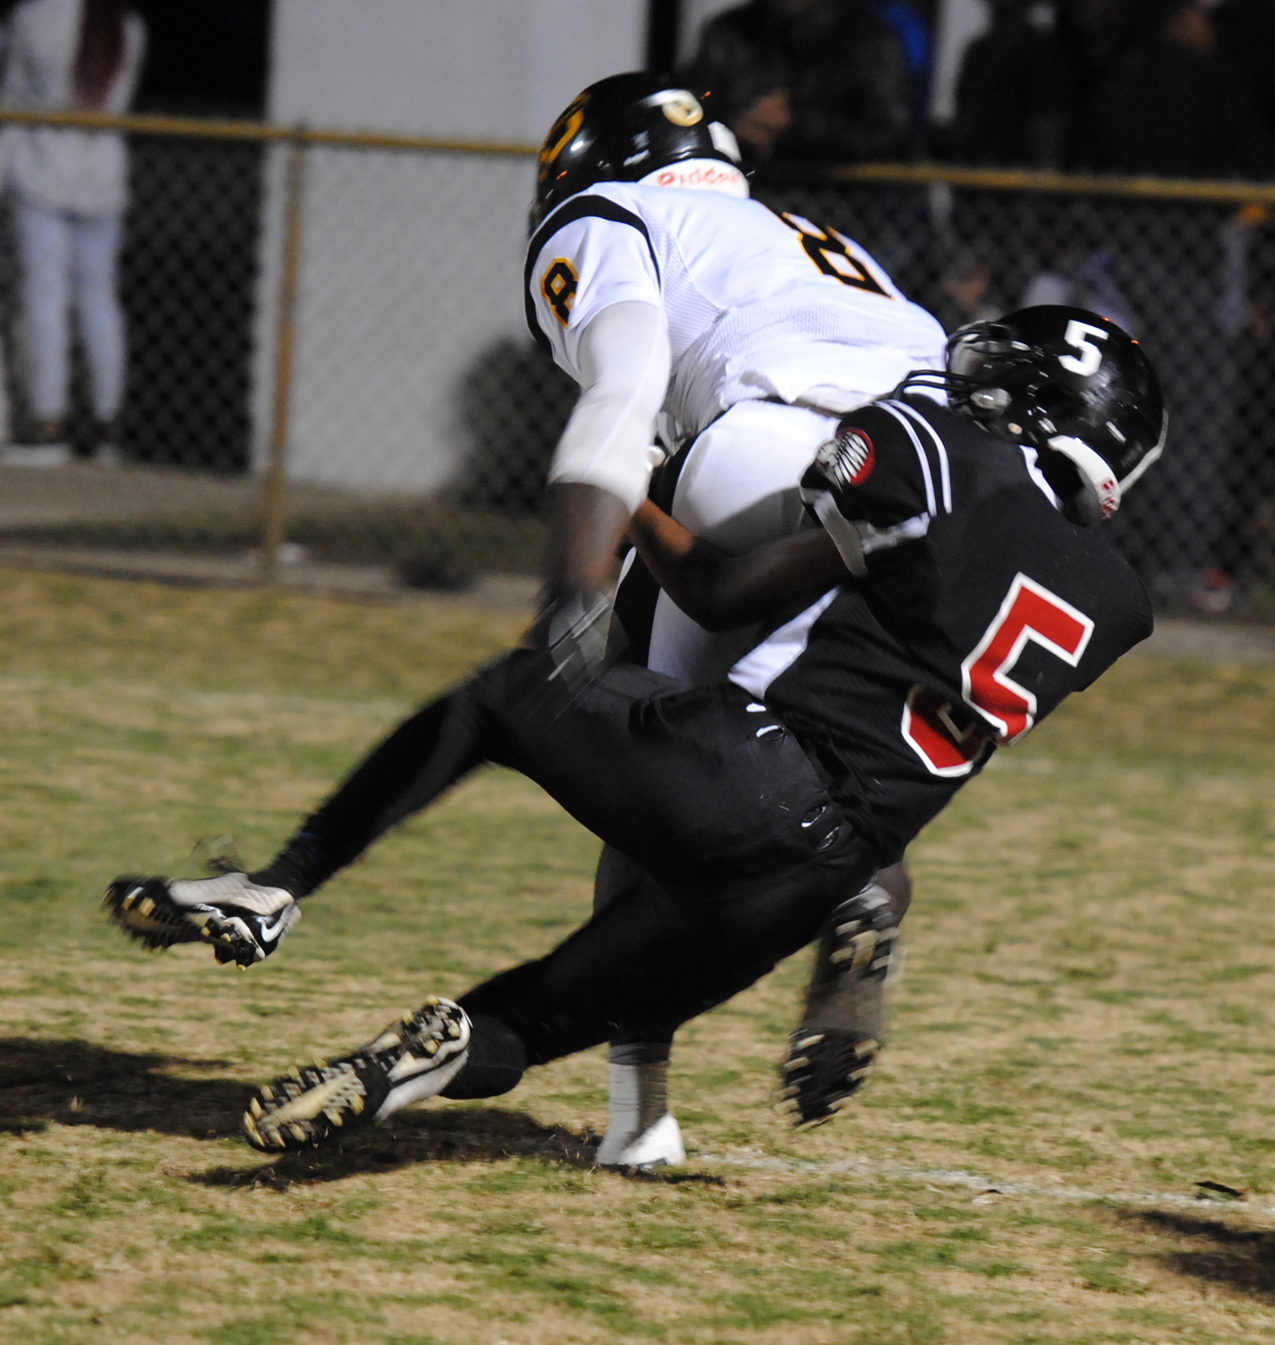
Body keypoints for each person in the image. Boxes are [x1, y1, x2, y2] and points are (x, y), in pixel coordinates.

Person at [106, 74, 947, 1168]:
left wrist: (571, 599)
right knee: (813, 792)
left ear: (587, 163)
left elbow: (624, 388)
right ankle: (864, 896)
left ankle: (635, 1111)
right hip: (924, 501)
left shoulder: (613, 214)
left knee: (650, 778)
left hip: (762, 449)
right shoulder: (819, 246)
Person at [105, 303, 1165, 1156]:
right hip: (814, 877)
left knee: (504, 696)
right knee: (539, 1017)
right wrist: (647, 494)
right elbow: (734, 584)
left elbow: (835, 489)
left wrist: (629, 467)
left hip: (749, 770)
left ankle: (279, 882)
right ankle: (418, 1063)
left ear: (1030, 402)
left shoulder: (946, 455)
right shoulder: (1116, 602)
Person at [3, 0, 145, 466]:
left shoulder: (35, 17)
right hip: (102, 178)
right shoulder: (128, 25)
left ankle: (48, 425)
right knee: (99, 301)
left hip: (40, 172)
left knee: (44, 299)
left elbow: (12, 99)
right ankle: (108, 427)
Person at [684, 0, 913, 165]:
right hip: (742, 194)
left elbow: (893, 131)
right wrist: (735, 130)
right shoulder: (729, 33)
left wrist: (796, 127)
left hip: (836, 201)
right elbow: (691, 110)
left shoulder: (866, 38)